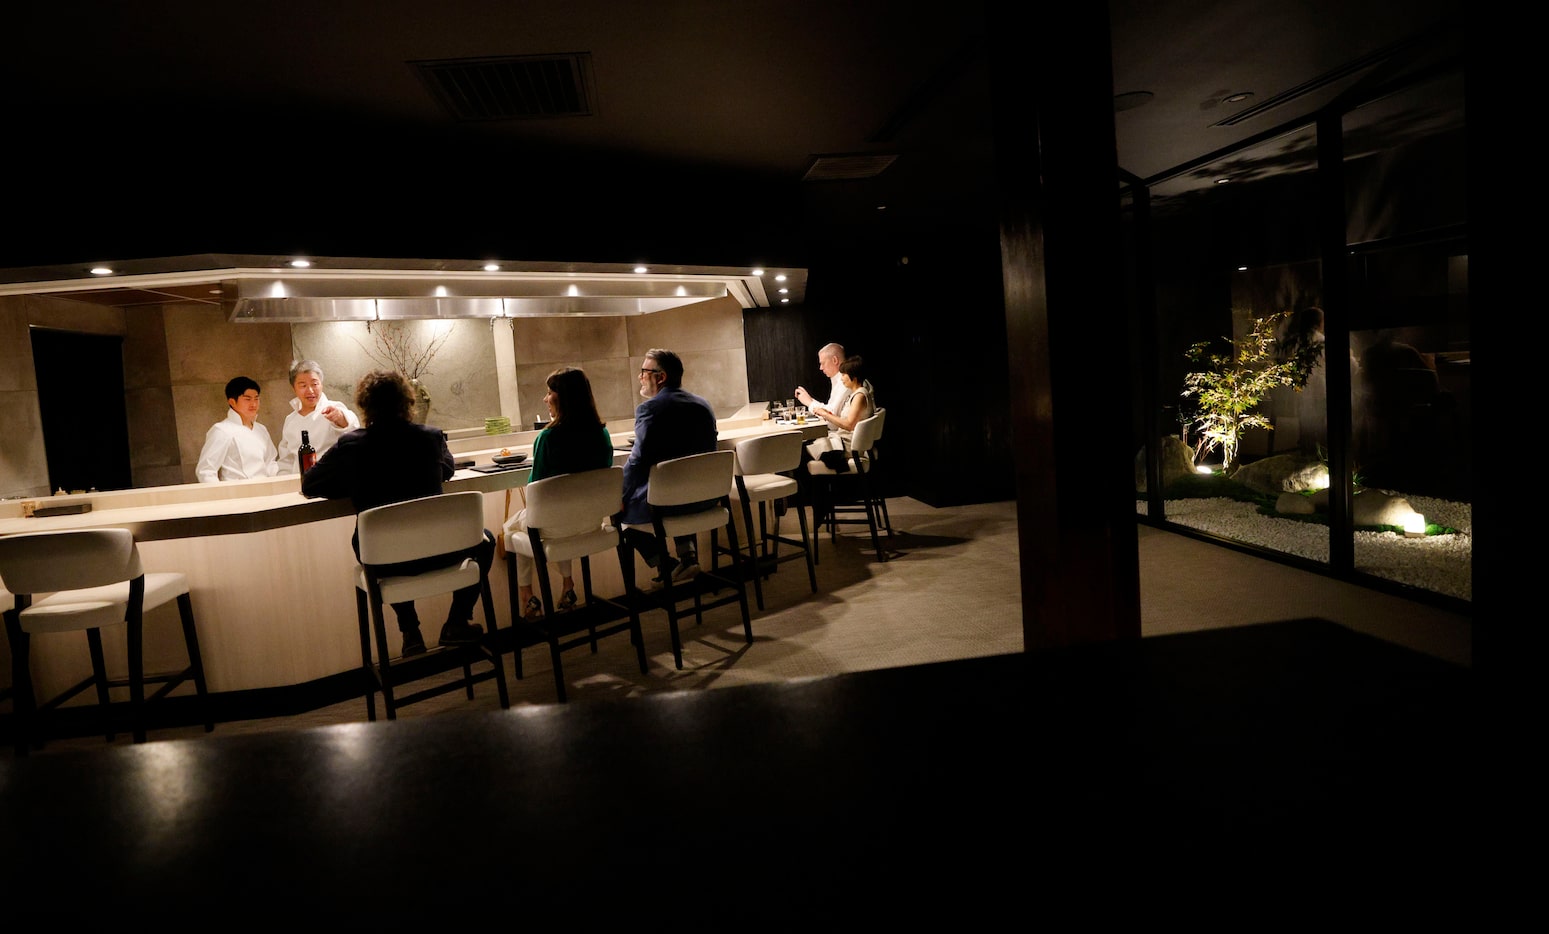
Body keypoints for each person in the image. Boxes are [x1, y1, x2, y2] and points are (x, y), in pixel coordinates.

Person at [301, 369, 491, 656]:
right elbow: (448, 469)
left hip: (385, 563)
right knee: (485, 539)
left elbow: (311, 483)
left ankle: (410, 630)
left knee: (381, 543)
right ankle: (456, 621)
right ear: (408, 402)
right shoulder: (430, 438)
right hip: (442, 551)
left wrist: (354, 483)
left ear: (365, 405)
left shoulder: (352, 445)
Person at [504, 366, 615, 621]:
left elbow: (536, 495)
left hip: (556, 527)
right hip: (591, 523)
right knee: (558, 521)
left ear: (563, 397)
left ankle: (527, 596)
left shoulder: (548, 438)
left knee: (514, 527)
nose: (545, 398)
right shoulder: (602, 433)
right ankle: (567, 584)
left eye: (550, 392)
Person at [620, 348, 718, 583]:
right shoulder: (703, 405)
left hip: (671, 504)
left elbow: (638, 460)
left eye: (644, 372)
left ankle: (665, 563)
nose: (639, 377)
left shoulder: (649, 409)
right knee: (676, 486)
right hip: (707, 498)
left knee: (619, 517)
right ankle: (688, 558)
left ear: (660, 377)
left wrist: (619, 495)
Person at [276, 359, 360, 474]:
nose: (310, 390)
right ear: (294, 388)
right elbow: (286, 460)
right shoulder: (290, 420)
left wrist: (340, 417)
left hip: (331, 479)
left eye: (314, 384)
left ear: (321, 385)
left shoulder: (333, 408)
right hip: (299, 483)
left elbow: (353, 426)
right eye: (303, 385)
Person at [195, 376, 279, 482]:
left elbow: (270, 463)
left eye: (256, 399)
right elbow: (206, 471)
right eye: (247, 399)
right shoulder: (222, 430)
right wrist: (222, 496)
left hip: (266, 490)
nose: (253, 404)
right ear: (232, 402)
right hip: (237, 493)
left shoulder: (261, 429)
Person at [794, 341, 875, 418]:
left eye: (822, 363)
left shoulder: (849, 382)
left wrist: (810, 403)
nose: (820, 368)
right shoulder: (841, 379)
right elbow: (831, 410)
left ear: (835, 360)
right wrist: (810, 400)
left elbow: (833, 420)